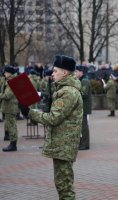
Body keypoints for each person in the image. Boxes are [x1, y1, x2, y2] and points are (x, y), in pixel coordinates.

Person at [20, 55, 83, 200]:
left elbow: (53, 118)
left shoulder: (68, 92)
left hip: (64, 145)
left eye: (55, 71)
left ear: (65, 73)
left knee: (65, 187)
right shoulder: (64, 90)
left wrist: (30, 113)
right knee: (62, 184)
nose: (52, 74)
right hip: (62, 145)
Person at [1, 66, 19, 151]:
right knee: (11, 125)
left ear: (9, 73)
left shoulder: (11, 82)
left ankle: (13, 145)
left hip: (10, 108)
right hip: (9, 107)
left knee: (11, 126)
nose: (4, 73)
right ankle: (12, 144)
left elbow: (7, 95)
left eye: (5, 72)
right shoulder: (10, 81)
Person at [75, 65, 92, 150]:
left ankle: (85, 144)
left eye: (76, 72)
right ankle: (82, 142)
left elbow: (83, 93)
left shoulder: (85, 81)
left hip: (84, 107)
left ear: (81, 72)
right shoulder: (80, 81)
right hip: (80, 107)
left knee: (84, 127)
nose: (75, 73)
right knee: (81, 126)